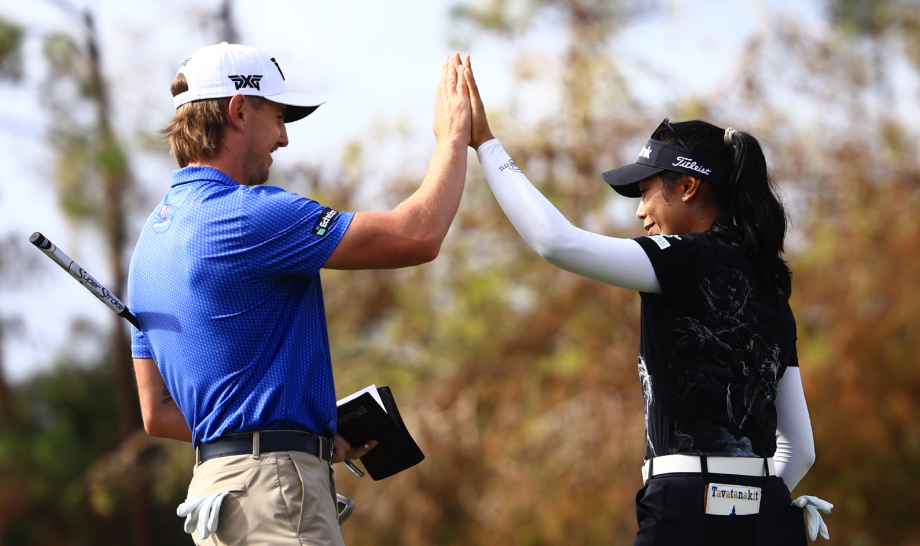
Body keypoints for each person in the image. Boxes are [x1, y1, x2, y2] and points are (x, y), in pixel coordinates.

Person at [459, 56, 832, 544]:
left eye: (647, 191)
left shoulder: (685, 258)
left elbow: (557, 242)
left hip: (682, 509)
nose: (640, 212)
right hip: (768, 517)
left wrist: (485, 144)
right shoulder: (770, 289)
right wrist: (754, 503)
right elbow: (800, 450)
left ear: (688, 185)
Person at [127, 43, 472, 545]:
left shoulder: (149, 245)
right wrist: (453, 136)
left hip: (216, 500)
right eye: (278, 116)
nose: (284, 138)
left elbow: (157, 413)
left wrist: (293, 430)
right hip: (274, 493)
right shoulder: (247, 213)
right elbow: (417, 235)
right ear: (239, 110)